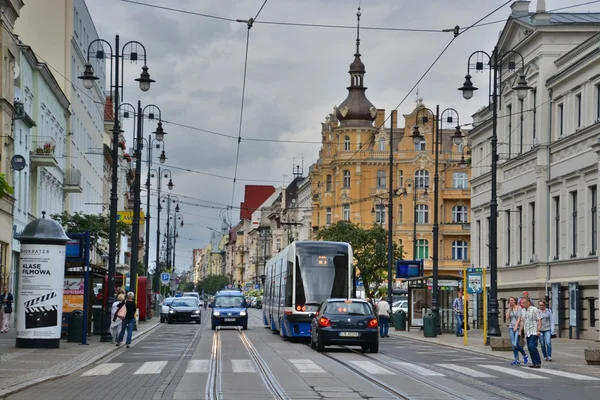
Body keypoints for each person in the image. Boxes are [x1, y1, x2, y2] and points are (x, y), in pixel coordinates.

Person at [517, 297, 542, 368]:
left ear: (529, 302)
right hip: (527, 332)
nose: (522, 304)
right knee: (530, 347)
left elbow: (539, 320)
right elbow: (522, 321)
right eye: (522, 303)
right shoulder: (523, 311)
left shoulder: (534, 309)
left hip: (534, 331)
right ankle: (534, 363)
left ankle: (537, 362)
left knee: (532, 346)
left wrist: (538, 330)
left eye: (524, 303)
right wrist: (520, 330)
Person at [506, 296, 528, 365]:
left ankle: (524, 354)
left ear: (515, 301)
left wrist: (516, 326)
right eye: (510, 301)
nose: (511, 301)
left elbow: (519, 318)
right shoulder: (510, 308)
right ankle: (516, 359)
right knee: (513, 345)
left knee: (516, 344)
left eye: (512, 300)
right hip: (511, 327)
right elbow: (507, 317)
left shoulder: (519, 308)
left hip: (517, 327)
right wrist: (509, 308)